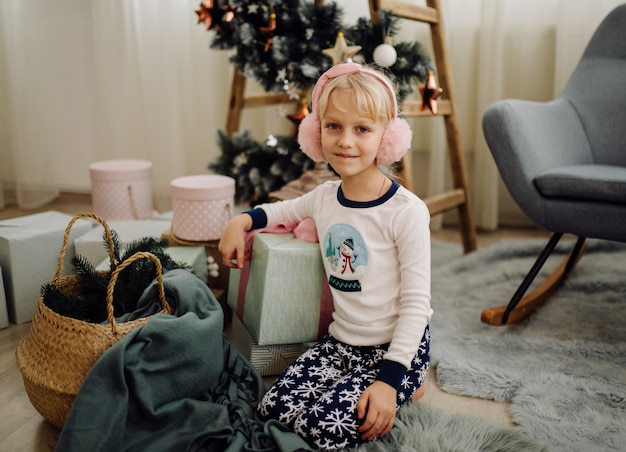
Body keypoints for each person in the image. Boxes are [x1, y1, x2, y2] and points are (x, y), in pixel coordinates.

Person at [218, 62, 432, 450]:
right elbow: (278, 212)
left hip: (396, 349)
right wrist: (241, 222)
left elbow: (417, 306)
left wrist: (389, 380)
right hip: (342, 342)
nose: (345, 141)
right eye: (334, 126)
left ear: (388, 138)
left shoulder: (407, 212)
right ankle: (380, 384)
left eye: (362, 129)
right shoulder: (324, 197)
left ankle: (408, 384)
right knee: (273, 411)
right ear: (317, 133)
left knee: (323, 428)